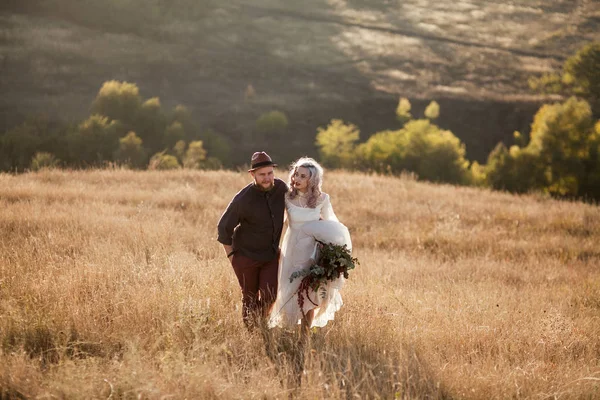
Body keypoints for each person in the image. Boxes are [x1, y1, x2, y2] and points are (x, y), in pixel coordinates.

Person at [268, 157, 349, 339]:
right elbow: (278, 223)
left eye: (302, 176)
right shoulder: (287, 197)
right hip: (291, 248)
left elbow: (331, 224)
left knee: (309, 294)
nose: (296, 178)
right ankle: (286, 333)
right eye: (296, 174)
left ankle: (304, 338)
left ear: (311, 180)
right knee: (289, 289)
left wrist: (335, 253)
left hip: (312, 251)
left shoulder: (322, 199)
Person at [217, 151, 288, 329]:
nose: (267, 178)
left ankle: (259, 323)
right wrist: (233, 257)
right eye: (262, 174)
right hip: (246, 256)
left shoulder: (281, 188)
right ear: (252, 175)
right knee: (249, 297)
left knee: (270, 294)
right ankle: (252, 334)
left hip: (271, 255)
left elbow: (297, 204)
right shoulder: (243, 199)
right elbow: (223, 228)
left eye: (270, 173)